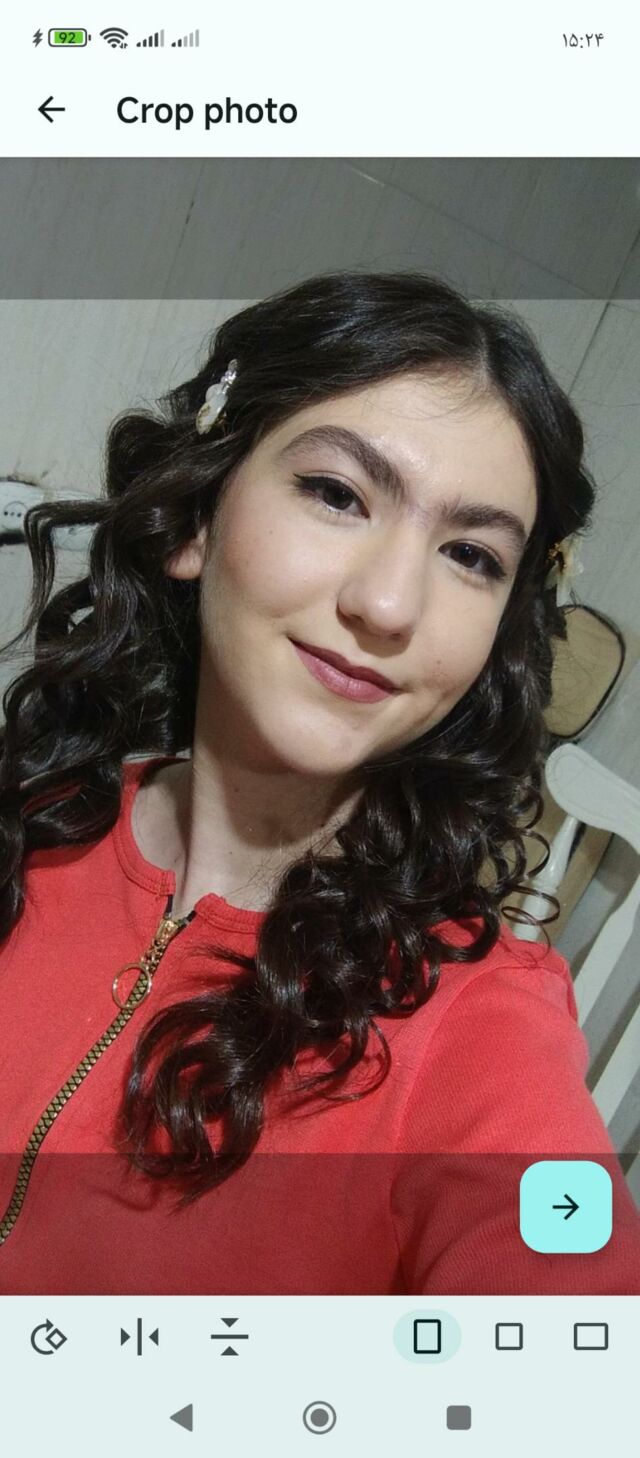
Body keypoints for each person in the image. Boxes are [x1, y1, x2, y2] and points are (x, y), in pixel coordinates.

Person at [0, 271, 638, 1295]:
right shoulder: (38, 821)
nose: (388, 603)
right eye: (338, 495)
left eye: (470, 555)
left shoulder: (478, 1029)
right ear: (196, 519)